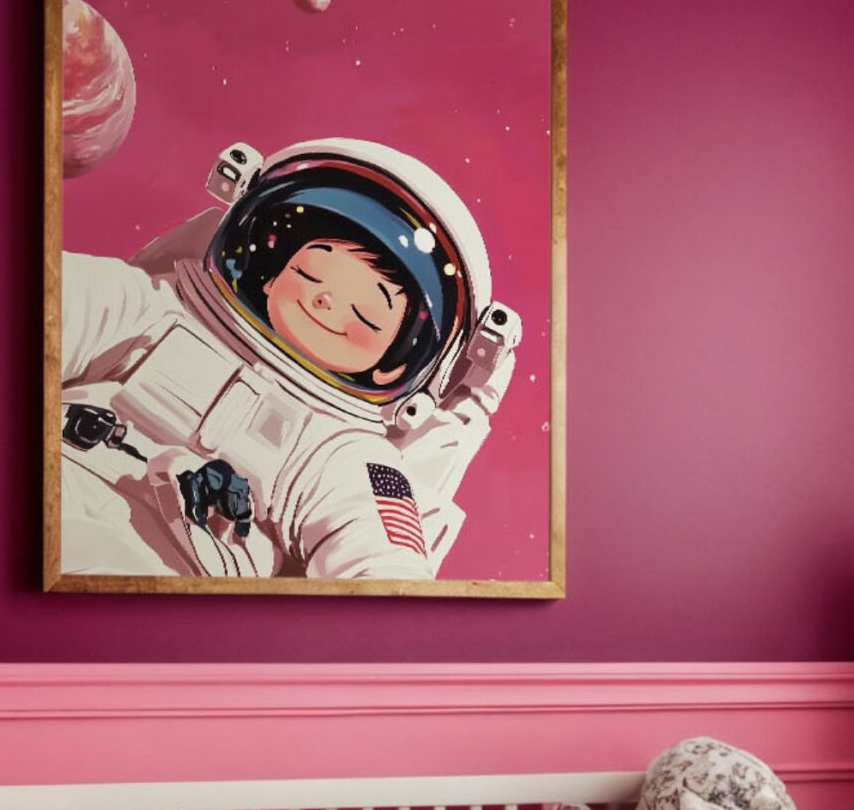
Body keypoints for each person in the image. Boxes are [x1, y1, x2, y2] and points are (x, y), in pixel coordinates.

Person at [58, 137, 519, 580]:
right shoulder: (152, 309)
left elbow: (379, 561)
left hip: (147, 577)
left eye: (365, 314)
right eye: (310, 273)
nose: (326, 303)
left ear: (396, 361)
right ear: (269, 275)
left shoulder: (346, 452)